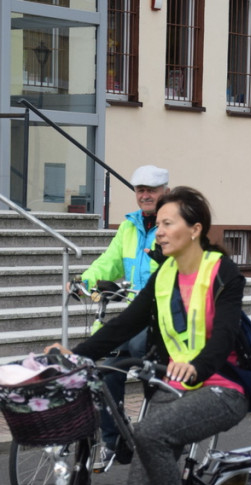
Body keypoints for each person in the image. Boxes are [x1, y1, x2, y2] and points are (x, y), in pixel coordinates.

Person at [47, 186, 249, 485]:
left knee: (149, 435)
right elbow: (122, 324)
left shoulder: (223, 273)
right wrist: (75, 356)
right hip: (170, 390)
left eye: (167, 223)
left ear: (195, 230)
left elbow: (224, 337)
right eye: (157, 225)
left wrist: (198, 366)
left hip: (221, 388)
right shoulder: (161, 277)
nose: (157, 232)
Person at [75, 165, 169, 467]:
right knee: (105, 371)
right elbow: (109, 262)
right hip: (134, 313)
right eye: (140, 190)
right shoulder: (129, 227)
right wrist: (85, 280)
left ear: (164, 191)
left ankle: (159, 430)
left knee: (147, 363)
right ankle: (116, 442)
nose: (144, 195)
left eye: (151, 190)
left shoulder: (172, 224)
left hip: (162, 315)